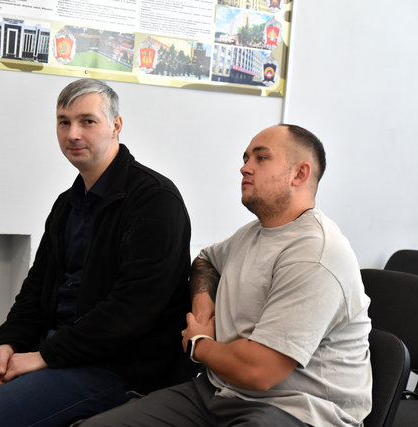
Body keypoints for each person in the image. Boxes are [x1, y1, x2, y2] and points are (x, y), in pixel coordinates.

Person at [0, 78, 194, 426]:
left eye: (87, 121)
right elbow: (36, 288)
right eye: (63, 122)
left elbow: (133, 310)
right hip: (56, 345)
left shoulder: (155, 200)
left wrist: (44, 357)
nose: (73, 134)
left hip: (119, 363)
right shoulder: (67, 204)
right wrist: (9, 343)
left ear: (116, 125)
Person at [82, 124, 372, 426]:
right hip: (220, 391)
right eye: (246, 158)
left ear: (299, 174)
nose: (245, 168)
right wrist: (203, 309)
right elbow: (205, 261)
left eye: (261, 158)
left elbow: (258, 372)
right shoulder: (253, 234)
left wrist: (199, 342)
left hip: (297, 410)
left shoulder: (316, 254)